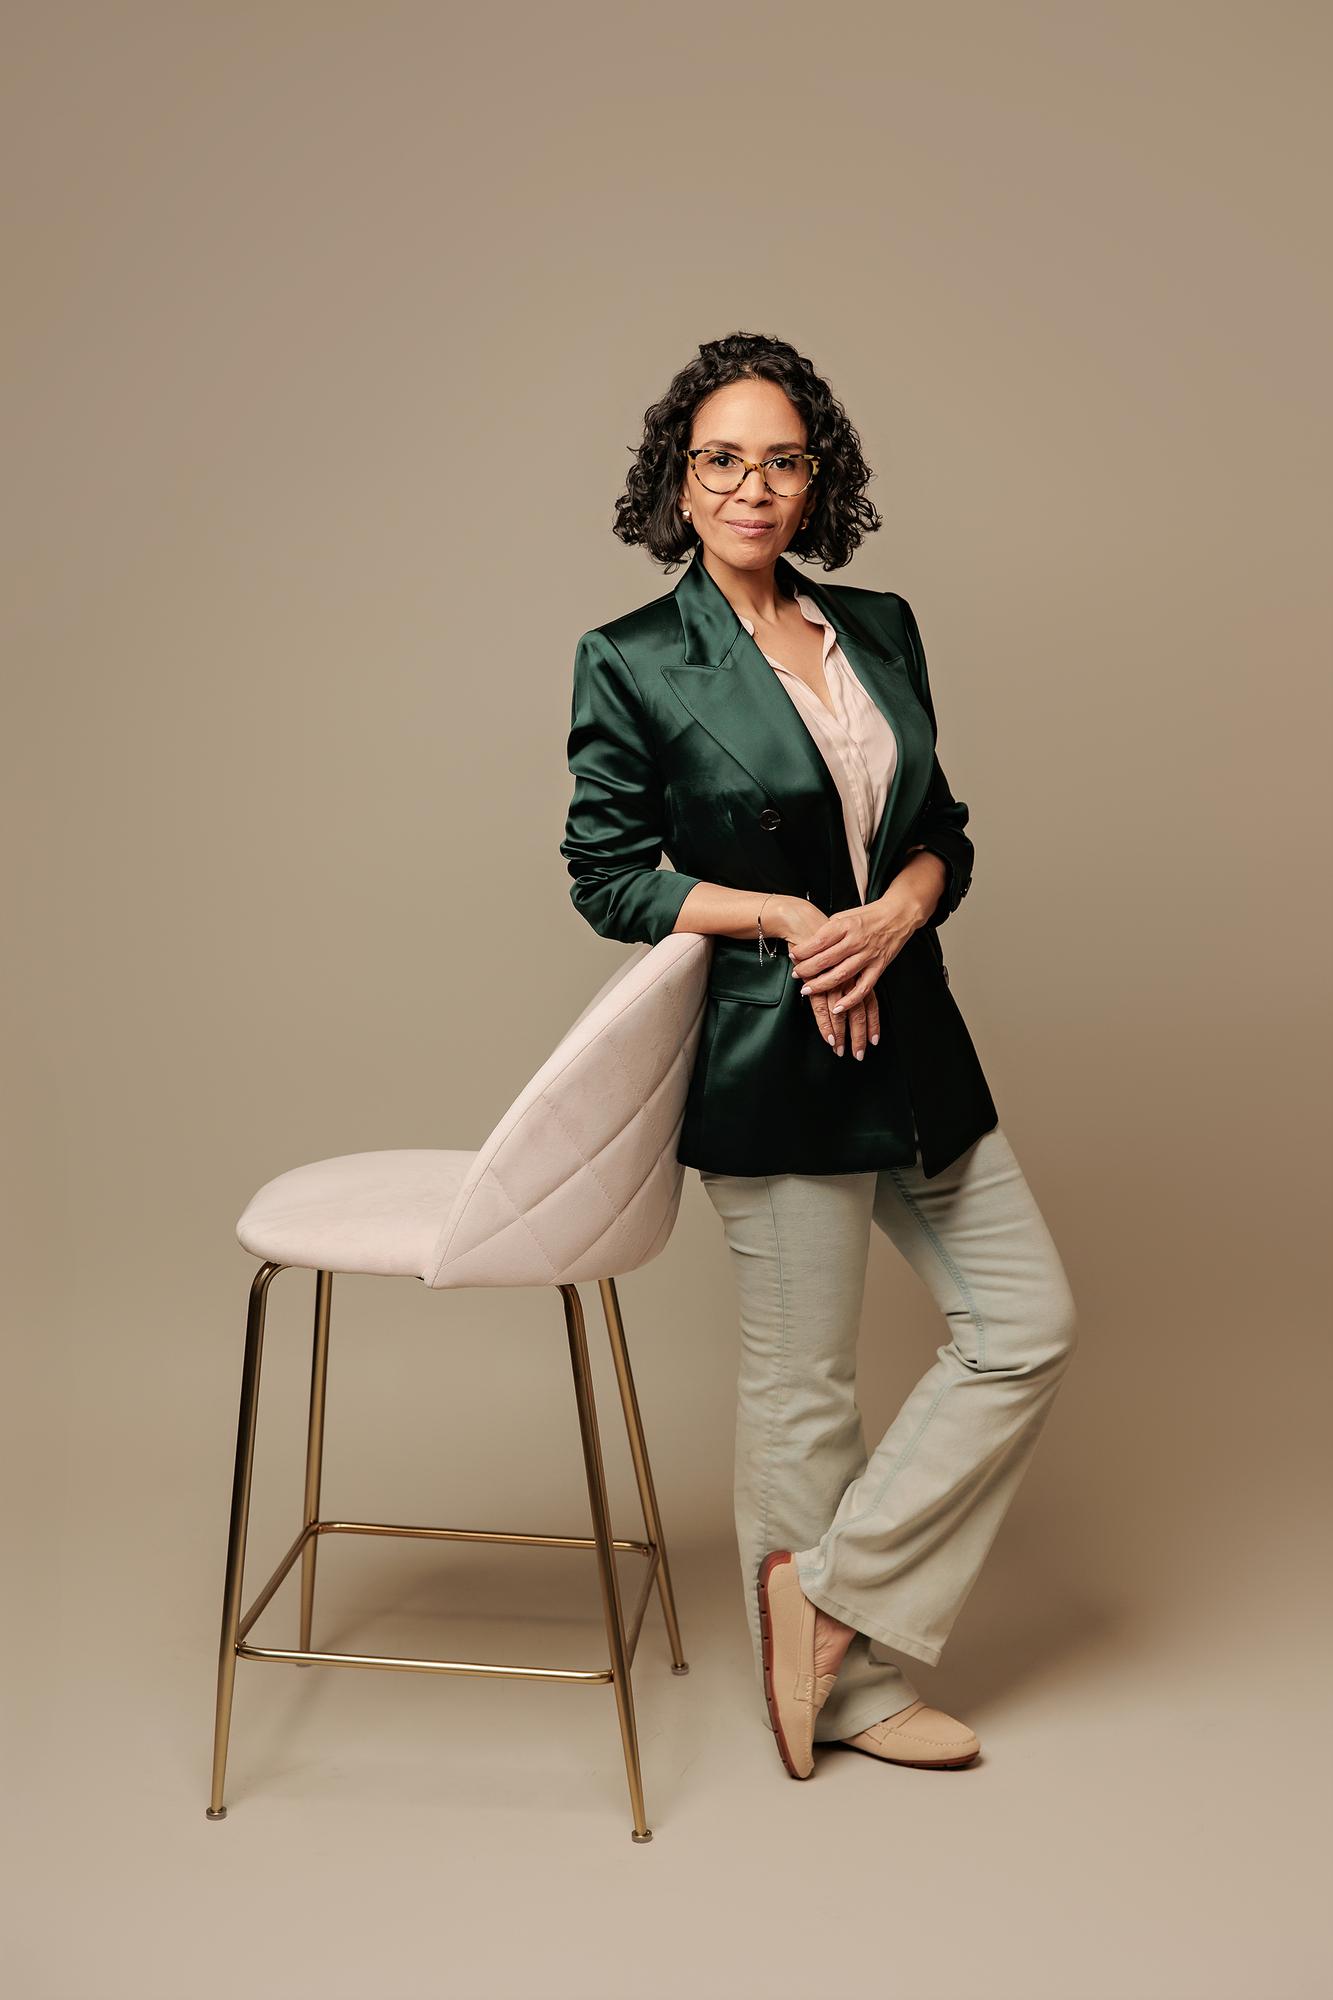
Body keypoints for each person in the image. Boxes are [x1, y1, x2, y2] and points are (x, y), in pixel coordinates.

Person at [560, 331, 1078, 1780]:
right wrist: (789, 918)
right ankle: (840, 1697)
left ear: (815, 479)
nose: (752, 485)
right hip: (771, 1058)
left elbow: (938, 832)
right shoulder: (634, 659)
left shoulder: (881, 628)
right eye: (721, 458)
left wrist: (896, 910)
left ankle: (829, 1604)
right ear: (679, 478)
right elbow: (606, 873)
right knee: (807, 1387)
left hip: (910, 1038)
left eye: (781, 459)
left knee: (1024, 1324)